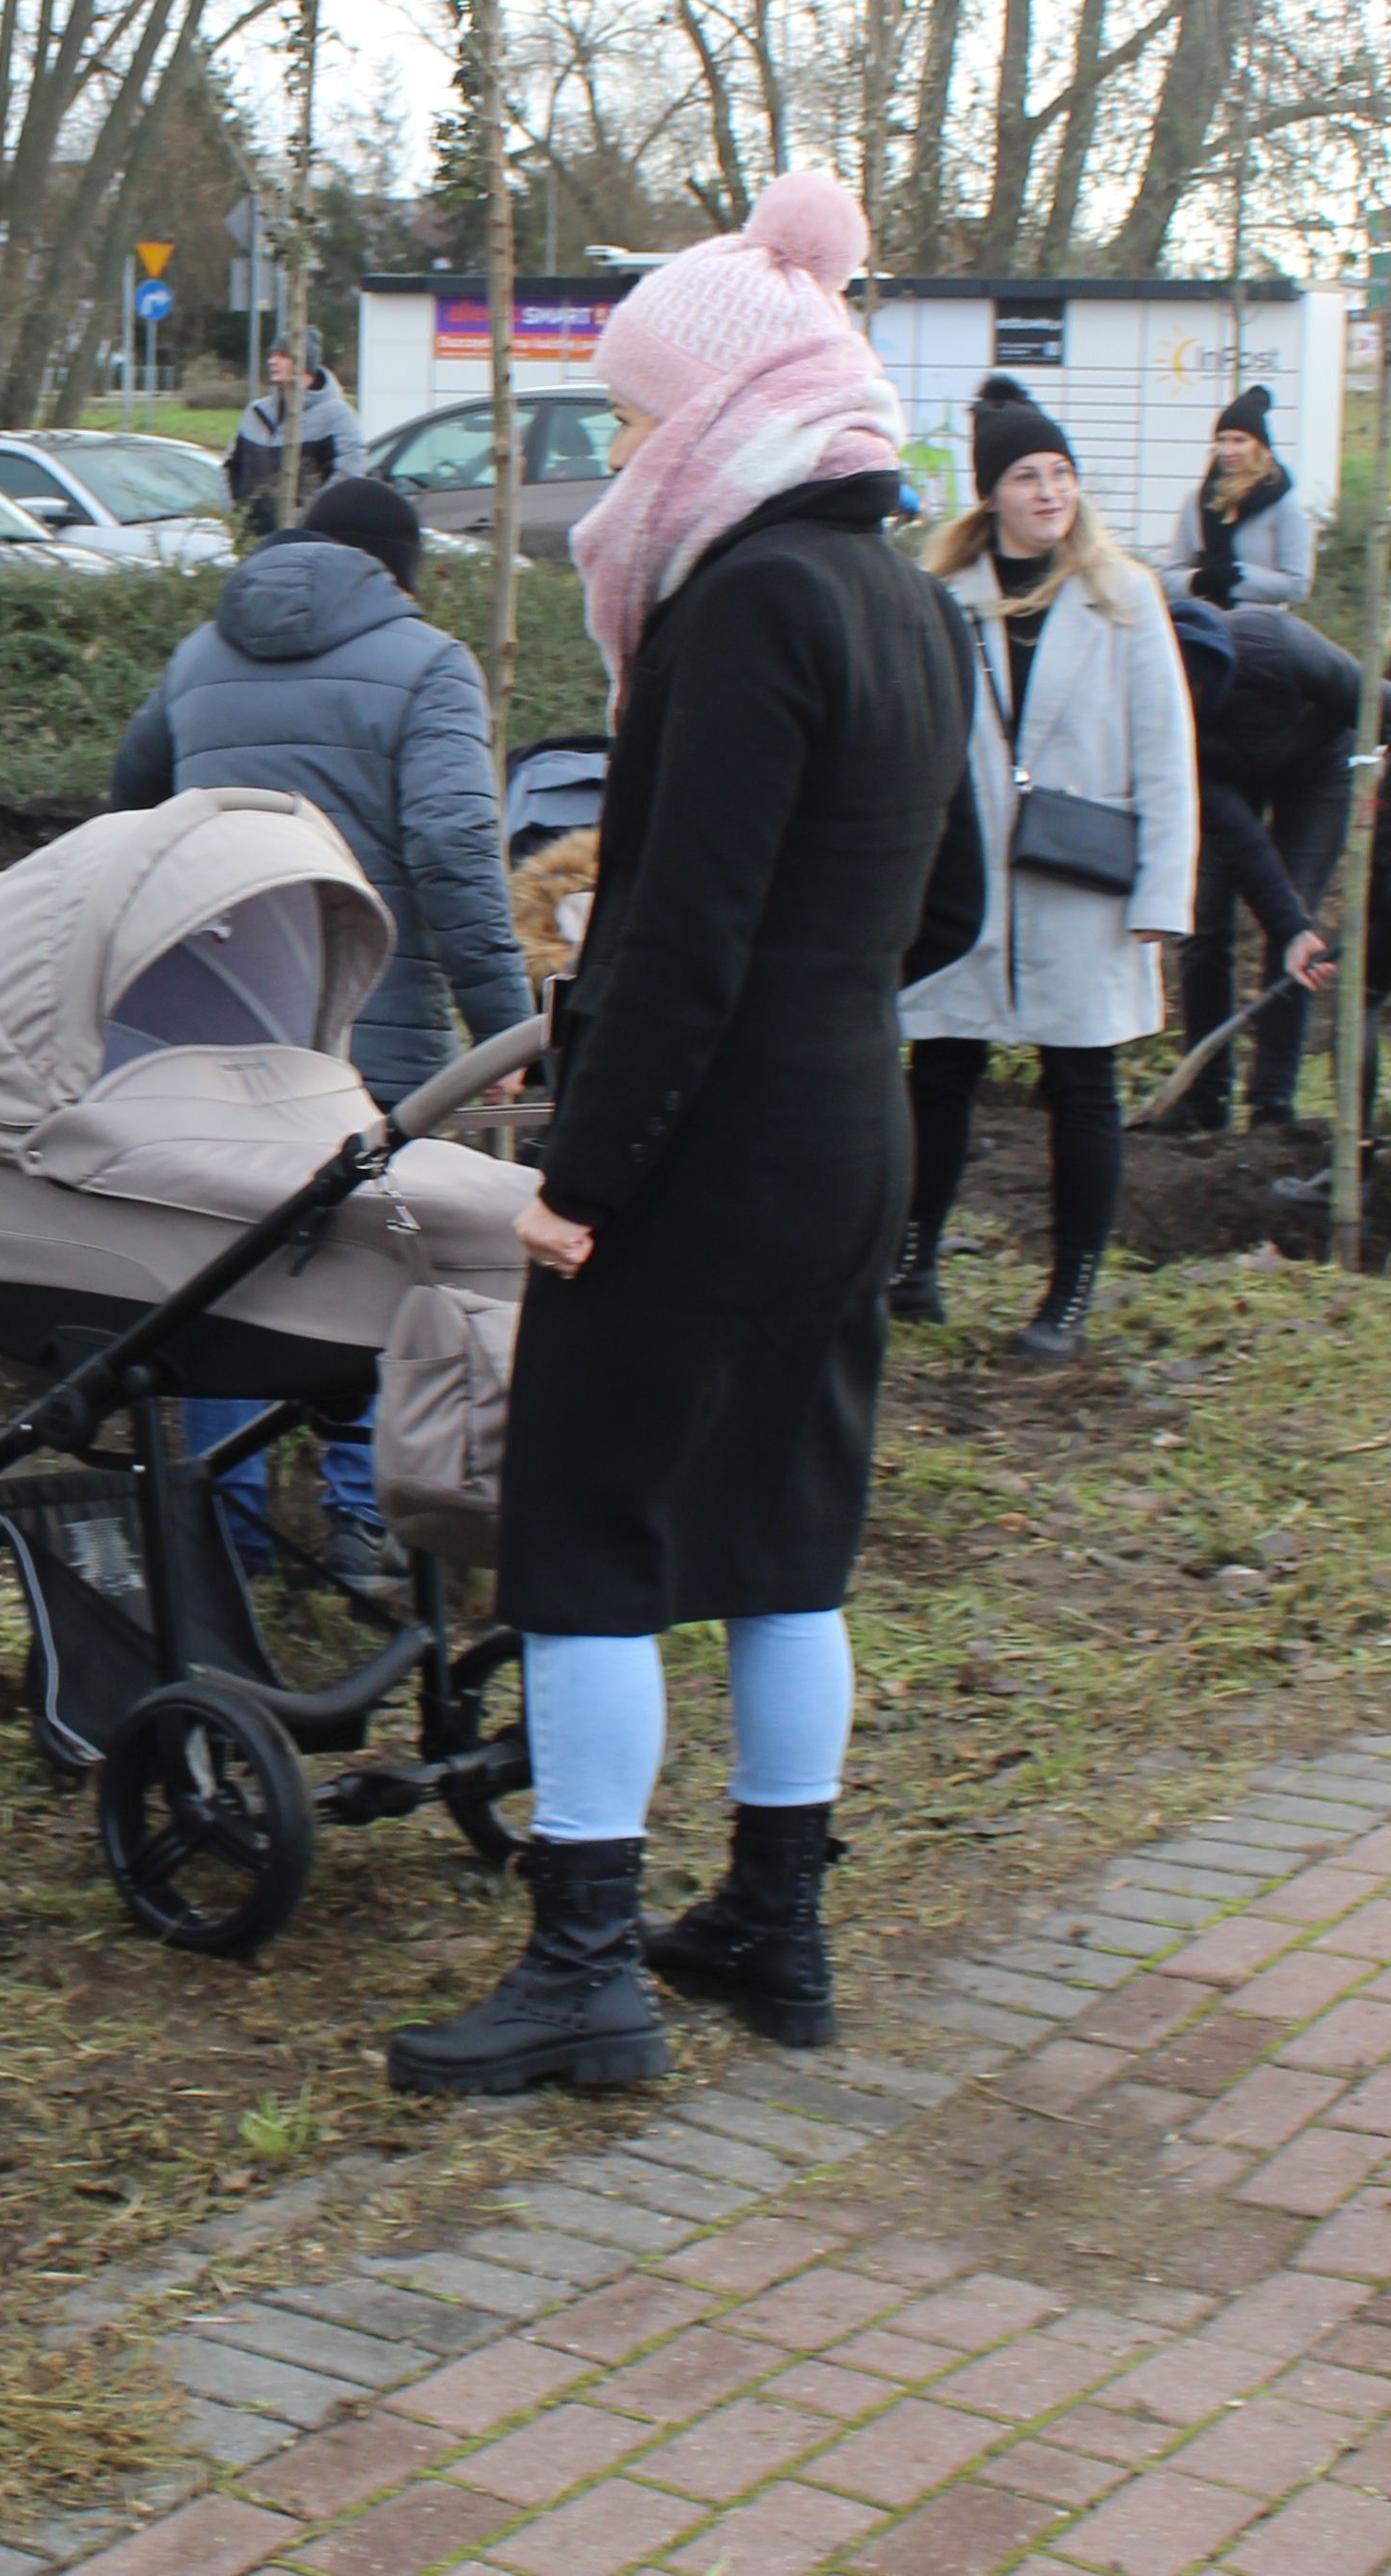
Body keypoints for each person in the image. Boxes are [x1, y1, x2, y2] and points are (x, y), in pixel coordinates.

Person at [386, 166, 983, 2103]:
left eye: (637, 415)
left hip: (708, 1149)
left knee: (591, 1541)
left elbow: (678, 941)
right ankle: (774, 1928)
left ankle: (583, 1971)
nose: (622, 451)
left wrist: (580, 1185)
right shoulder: (910, 603)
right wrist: (831, 970)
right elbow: (950, 909)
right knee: (791, 1541)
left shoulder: (740, 609)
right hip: (851, 1136)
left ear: (724, 415)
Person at [110, 470, 532, 1599]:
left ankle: (221, 1534)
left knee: (226, 1264)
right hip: (373, 1026)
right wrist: (508, 1026)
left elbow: (129, 803)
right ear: (404, 574)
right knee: (382, 1256)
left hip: (200, 1029)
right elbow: (449, 850)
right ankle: (366, 1521)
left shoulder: (200, 658)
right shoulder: (432, 664)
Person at [897, 374, 1198, 1362]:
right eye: (1028, 475)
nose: (1049, 492)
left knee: (1082, 1083)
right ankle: (915, 1260)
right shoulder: (946, 604)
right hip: (966, 885)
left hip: (1084, 885)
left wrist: (1164, 893)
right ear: (991, 493)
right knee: (940, 1069)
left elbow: (1166, 754)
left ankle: (1067, 1294)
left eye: (1061, 473)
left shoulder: (1124, 600)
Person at [1158, 592, 1351, 1137]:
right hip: (1230, 785)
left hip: (1318, 772)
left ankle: (1271, 1106)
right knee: (1203, 926)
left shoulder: (1274, 642)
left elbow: (1369, 700)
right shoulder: (1173, 728)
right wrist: (1285, 920)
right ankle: (1203, 1096)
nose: (1182, 699)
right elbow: (1241, 839)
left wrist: (1294, 927)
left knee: (1297, 930)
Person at [1167, 386, 1316, 607]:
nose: (1227, 450)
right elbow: (1168, 577)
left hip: (1258, 630)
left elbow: (1297, 585)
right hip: (1202, 625)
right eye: (1222, 440)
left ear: (1260, 445)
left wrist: (1236, 576)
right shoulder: (1195, 501)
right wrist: (1199, 581)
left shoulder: (1282, 503)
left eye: (1239, 440)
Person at [224, 338, 365, 540]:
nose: (272, 361)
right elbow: (230, 467)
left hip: (306, 542)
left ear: (305, 362)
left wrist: (300, 523)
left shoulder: (338, 416)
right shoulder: (256, 412)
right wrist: (236, 517)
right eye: (272, 355)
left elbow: (348, 477)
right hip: (250, 542)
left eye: (283, 356)